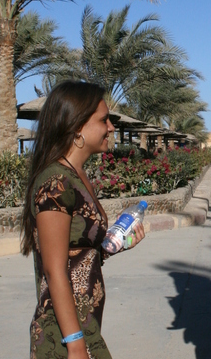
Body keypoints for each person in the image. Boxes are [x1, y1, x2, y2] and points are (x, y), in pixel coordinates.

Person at [21, 80, 146, 359]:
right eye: (103, 120)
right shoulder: (56, 183)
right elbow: (54, 270)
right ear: (77, 127)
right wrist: (76, 345)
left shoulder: (77, 177)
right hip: (63, 335)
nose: (111, 127)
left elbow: (77, 255)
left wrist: (115, 245)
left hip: (85, 326)